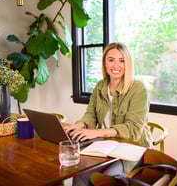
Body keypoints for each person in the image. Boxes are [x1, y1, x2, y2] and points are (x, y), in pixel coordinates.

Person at [64, 42, 152, 186]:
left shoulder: (138, 88)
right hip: (104, 146)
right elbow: (90, 113)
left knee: (104, 180)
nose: (116, 66)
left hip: (131, 149)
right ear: (105, 63)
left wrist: (98, 132)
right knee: (79, 175)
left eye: (121, 60)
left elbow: (133, 129)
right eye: (111, 60)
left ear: (128, 63)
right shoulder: (100, 86)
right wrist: (80, 124)